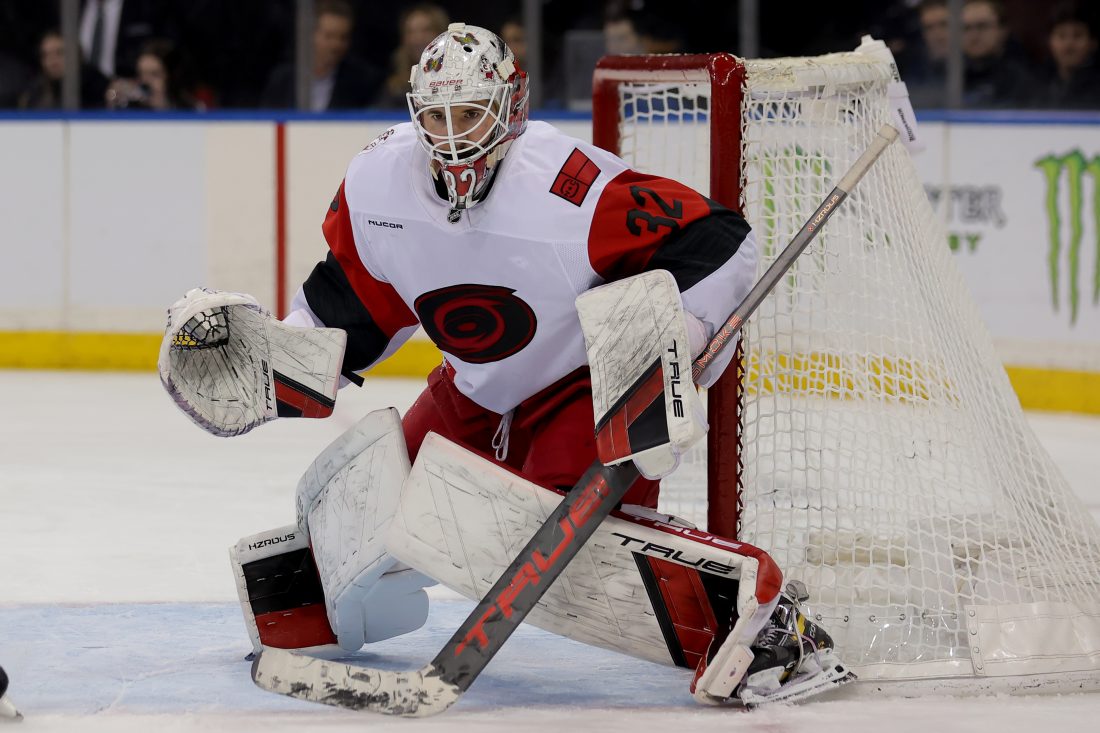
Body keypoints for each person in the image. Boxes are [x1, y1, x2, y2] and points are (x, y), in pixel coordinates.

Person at [160, 22, 850, 707]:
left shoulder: (568, 189)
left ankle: (768, 625)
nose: (453, 134)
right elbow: (353, 302)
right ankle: (312, 610)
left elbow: (718, 240)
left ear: (510, 106)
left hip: (579, 390)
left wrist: (683, 333)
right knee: (374, 495)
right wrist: (274, 361)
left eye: (469, 113)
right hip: (476, 391)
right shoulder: (378, 182)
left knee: (560, 543)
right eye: (436, 115)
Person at [261, 0, 382, 111]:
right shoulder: (283, 80)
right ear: (311, 34)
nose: (336, 45)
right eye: (329, 36)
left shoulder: (361, 82)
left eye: (343, 38)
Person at [373, 3, 448, 108]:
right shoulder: (394, 88)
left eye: (426, 30)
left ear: (442, 34)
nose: (417, 39)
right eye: (410, 32)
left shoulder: (463, 79)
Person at [18, 29, 108, 109]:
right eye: (45, 55)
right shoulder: (34, 93)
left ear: (77, 55)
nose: (52, 62)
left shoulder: (98, 88)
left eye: (60, 53)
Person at [105, 38, 201, 110]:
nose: (145, 81)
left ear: (172, 77)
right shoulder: (131, 109)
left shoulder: (192, 109)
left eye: (154, 74)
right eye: (141, 74)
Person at [1036, 2, 1100, 109]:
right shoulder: (1034, 82)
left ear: (1093, 43)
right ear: (1050, 42)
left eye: (1077, 35)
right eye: (1061, 36)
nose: (1069, 45)